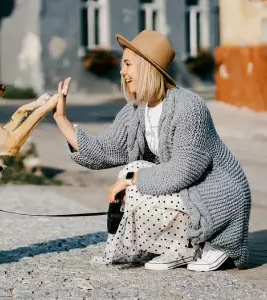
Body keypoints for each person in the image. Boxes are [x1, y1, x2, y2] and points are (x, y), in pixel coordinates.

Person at [53, 30, 251, 271]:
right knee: (132, 170)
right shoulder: (137, 110)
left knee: (133, 177)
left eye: (127, 64)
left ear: (147, 66)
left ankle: (211, 244)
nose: (122, 71)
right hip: (186, 192)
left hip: (215, 196)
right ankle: (178, 248)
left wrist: (130, 181)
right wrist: (62, 119)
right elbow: (104, 151)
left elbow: (184, 170)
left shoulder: (189, 107)